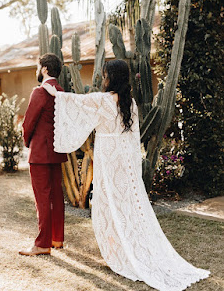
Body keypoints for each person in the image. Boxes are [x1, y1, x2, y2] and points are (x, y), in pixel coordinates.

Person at [43, 59, 210, 291]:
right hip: (123, 161)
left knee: (108, 204)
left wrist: (53, 91)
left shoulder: (102, 100)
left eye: (104, 74)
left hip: (108, 158)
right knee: (125, 205)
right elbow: (133, 138)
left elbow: (75, 101)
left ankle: (121, 251)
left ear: (111, 77)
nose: (102, 78)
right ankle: (123, 246)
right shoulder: (129, 102)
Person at [19, 53, 67, 256]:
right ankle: (57, 239)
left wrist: (26, 142)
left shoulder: (39, 92)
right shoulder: (61, 91)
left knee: (42, 199)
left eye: (39, 67)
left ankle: (42, 244)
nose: (37, 70)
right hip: (56, 152)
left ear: (45, 69)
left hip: (40, 153)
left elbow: (28, 123)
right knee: (56, 196)